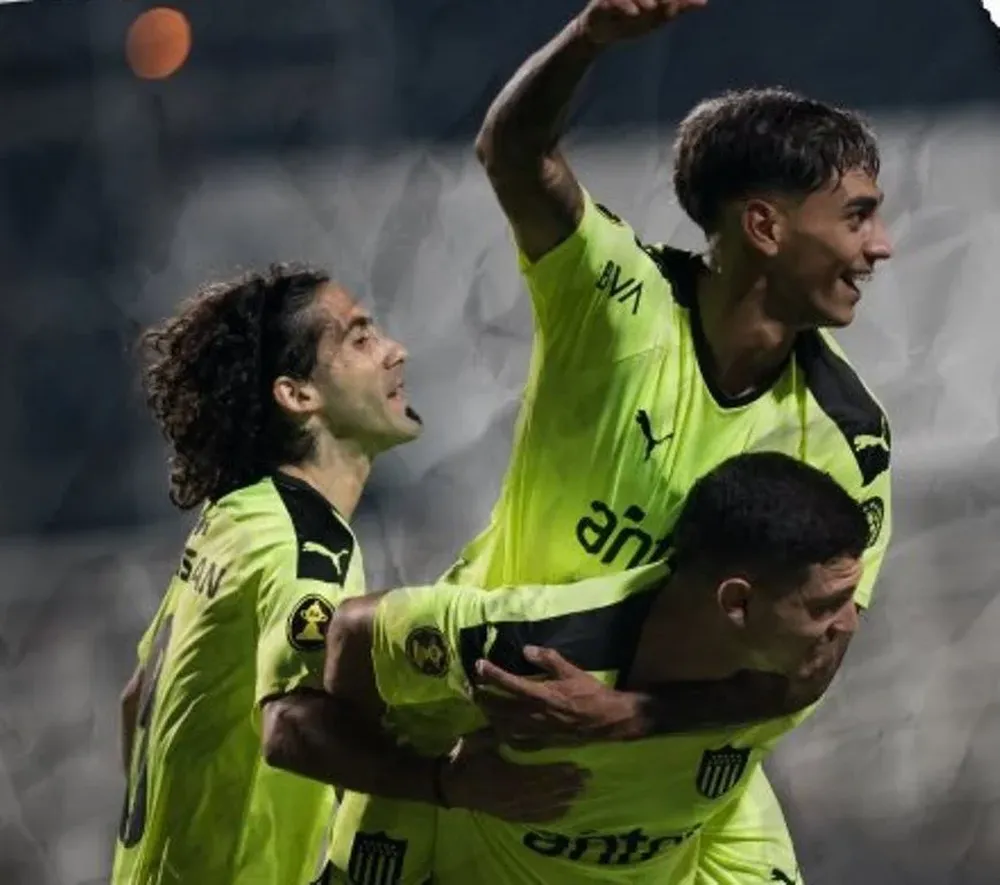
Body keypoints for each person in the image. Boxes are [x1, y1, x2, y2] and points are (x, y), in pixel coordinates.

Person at [325, 0, 895, 882]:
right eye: (856, 217)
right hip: (492, 712)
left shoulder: (846, 436)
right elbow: (513, 155)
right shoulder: (616, 300)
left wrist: (623, 714)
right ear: (765, 226)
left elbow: (815, 659)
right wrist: (589, 38)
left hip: (682, 774)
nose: (880, 246)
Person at [110, 264, 584, 885]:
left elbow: (136, 698)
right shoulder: (305, 547)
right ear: (298, 395)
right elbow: (289, 726)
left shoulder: (231, 519)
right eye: (360, 338)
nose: (395, 351)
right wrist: (446, 783)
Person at [319, 453, 871, 884]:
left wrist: (631, 715)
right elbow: (355, 630)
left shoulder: (794, 666)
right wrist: (438, 783)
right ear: (737, 603)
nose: (848, 624)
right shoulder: (532, 651)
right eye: (828, 605)